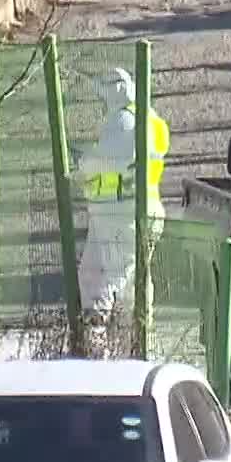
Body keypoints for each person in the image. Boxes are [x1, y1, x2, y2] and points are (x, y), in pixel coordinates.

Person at [75, 67, 170, 349]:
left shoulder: (125, 120)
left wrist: (82, 163)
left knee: (115, 280)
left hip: (122, 213)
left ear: (118, 87)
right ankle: (124, 346)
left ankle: (113, 349)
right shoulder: (144, 117)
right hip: (124, 211)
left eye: (105, 88)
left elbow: (112, 160)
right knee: (107, 277)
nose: (102, 96)